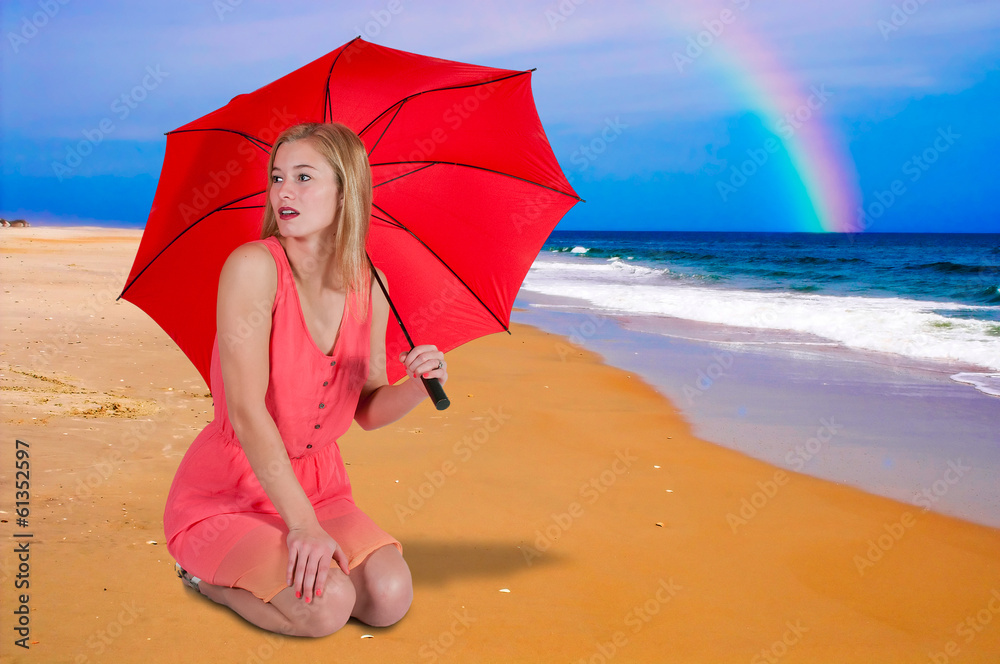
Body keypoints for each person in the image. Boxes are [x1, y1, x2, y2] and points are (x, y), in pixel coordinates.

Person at [163, 122, 447, 637]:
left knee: (389, 596)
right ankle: (202, 577)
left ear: (346, 192)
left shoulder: (369, 282)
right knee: (324, 607)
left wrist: (416, 386)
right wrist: (302, 527)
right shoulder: (253, 267)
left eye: (303, 177)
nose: (282, 191)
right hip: (232, 489)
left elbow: (367, 410)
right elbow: (247, 413)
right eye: (277, 177)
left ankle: (295, 558)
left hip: (323, 486)